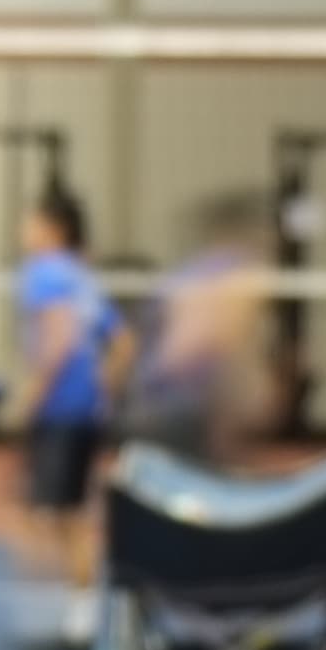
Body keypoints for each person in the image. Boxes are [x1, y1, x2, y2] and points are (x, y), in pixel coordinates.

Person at [14, 193, 123, 647]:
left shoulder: (44, 273)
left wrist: (32, 397)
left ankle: (51, 614)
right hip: (87, 409)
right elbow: (123, 342)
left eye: (30, 222)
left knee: (43, 512)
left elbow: (57, 341)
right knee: (74, 512)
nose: (24, 230)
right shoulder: (84, 278)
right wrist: (102, 388)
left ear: (52, 229)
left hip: (59, 409)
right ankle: (80, 613)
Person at [123, 190, 274, 466]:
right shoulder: (236, 274)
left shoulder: (193, 271)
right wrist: (239, 403)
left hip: (156, 407)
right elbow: (196, 345)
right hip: (181, 413)